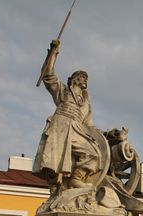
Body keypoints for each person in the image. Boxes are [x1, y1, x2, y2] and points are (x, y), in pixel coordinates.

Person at [33, 39, 104, 194]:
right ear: (73, 79)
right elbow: (48, 75)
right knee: (56, 163)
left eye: (86, 78)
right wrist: (53, 53)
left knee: (93, 153)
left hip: (77, 127)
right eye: (80, 76)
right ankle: (60, 187)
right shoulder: (63, 90)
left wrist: (102, 136)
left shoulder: (86, 99)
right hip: (61, 125)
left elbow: (88, 122)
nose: (84, 78)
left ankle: (76, 178)